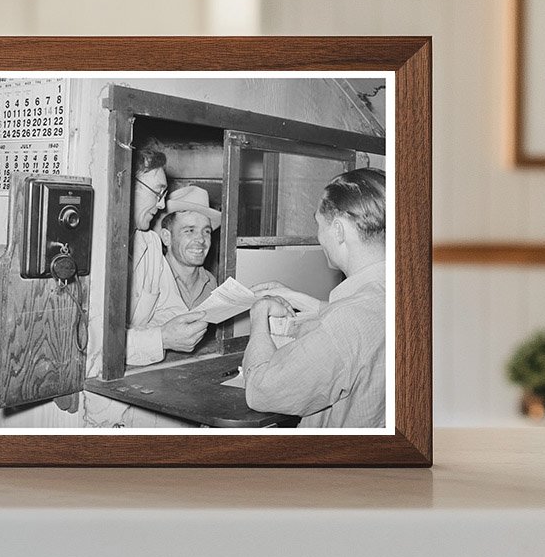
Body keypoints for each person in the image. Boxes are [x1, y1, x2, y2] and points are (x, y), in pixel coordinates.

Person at [243, 168, 387, 429]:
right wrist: (298, 299)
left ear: (339, 231)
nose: (320, 238)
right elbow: (367, 316)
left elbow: (261, 390)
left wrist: (259, 315)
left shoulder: (346, 322)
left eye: (319, 226)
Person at [126, 148, 209, 366]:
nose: (162, 205)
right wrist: (160, 338)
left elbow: (170, 309)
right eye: (157, 193)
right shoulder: (95, 248)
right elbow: (94, 343)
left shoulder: (151, 245)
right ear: (125, 186)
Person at [158, 185, 220, 310]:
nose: (201, 239)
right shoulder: (151, 280)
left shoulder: (210, 284)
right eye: (190, 230)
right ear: (166, 237)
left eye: (206, 231)